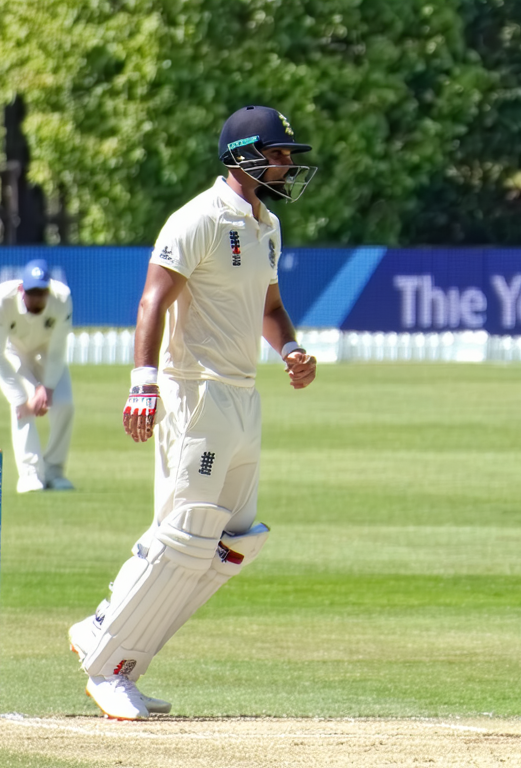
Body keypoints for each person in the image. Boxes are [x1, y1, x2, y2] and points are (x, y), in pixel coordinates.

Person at [67, 105, 319, 720]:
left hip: (243, 395)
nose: (286, 165)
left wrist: (289, 348)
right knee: (185, 532)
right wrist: (143, 383)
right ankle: (108, 664)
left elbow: (269, 306)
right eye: (277, 154)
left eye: (288, 156)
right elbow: (152, 300)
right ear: (243, 156)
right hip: (194, 393)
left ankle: (108, 632)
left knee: (234, 542)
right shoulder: (198, 218)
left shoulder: (267, 225)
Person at [0, 259, 75, 493]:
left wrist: (48, 388)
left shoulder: (62, 298)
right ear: (22, 289)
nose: (37, 298)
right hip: (13, 350)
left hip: (47, 351)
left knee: (65, 403)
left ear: (48, 290)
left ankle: (54, 472)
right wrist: (19, 398)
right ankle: (30, 475)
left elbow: (58, 350)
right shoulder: (0, 300)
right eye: (32, 293)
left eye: (42, 292)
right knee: (25, 403)